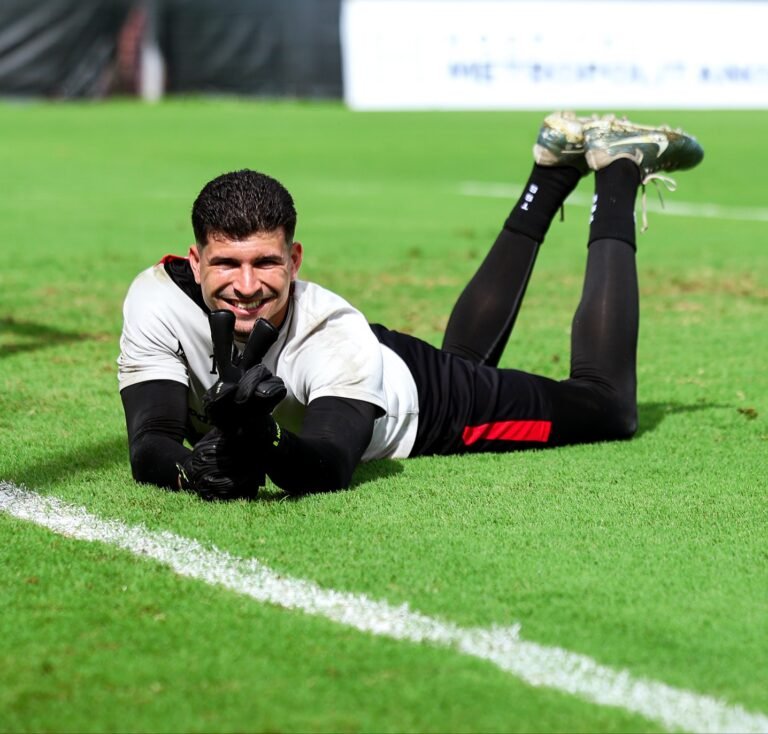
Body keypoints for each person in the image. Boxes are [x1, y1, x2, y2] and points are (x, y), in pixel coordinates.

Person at [117, 112, 703, 499]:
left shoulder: (330, 331)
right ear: (195, 263)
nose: (246, 286)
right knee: (469, 358)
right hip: (378, 366)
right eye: (226, 264)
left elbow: (329, 463)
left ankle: (620, 168)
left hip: (427, 404)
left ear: (295, 259)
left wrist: (265, 440)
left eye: (265, 263)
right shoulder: (156, 300)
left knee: (607, 407)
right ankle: (551, 172)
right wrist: (187, 471)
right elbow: (153, 436)